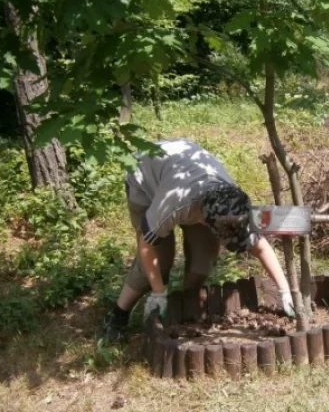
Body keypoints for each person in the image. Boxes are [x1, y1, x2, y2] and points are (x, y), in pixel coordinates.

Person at [102, 139, 295, 343]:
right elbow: (146, 246)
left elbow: (260, 247)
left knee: (205, 254)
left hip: (189, 175)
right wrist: (158, 292)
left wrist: (285, 290)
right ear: (204, 220)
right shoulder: (173, 206)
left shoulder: (233, 205)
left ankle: (186, 304)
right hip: (145, 178)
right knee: (161, 260)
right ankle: (117, 315)